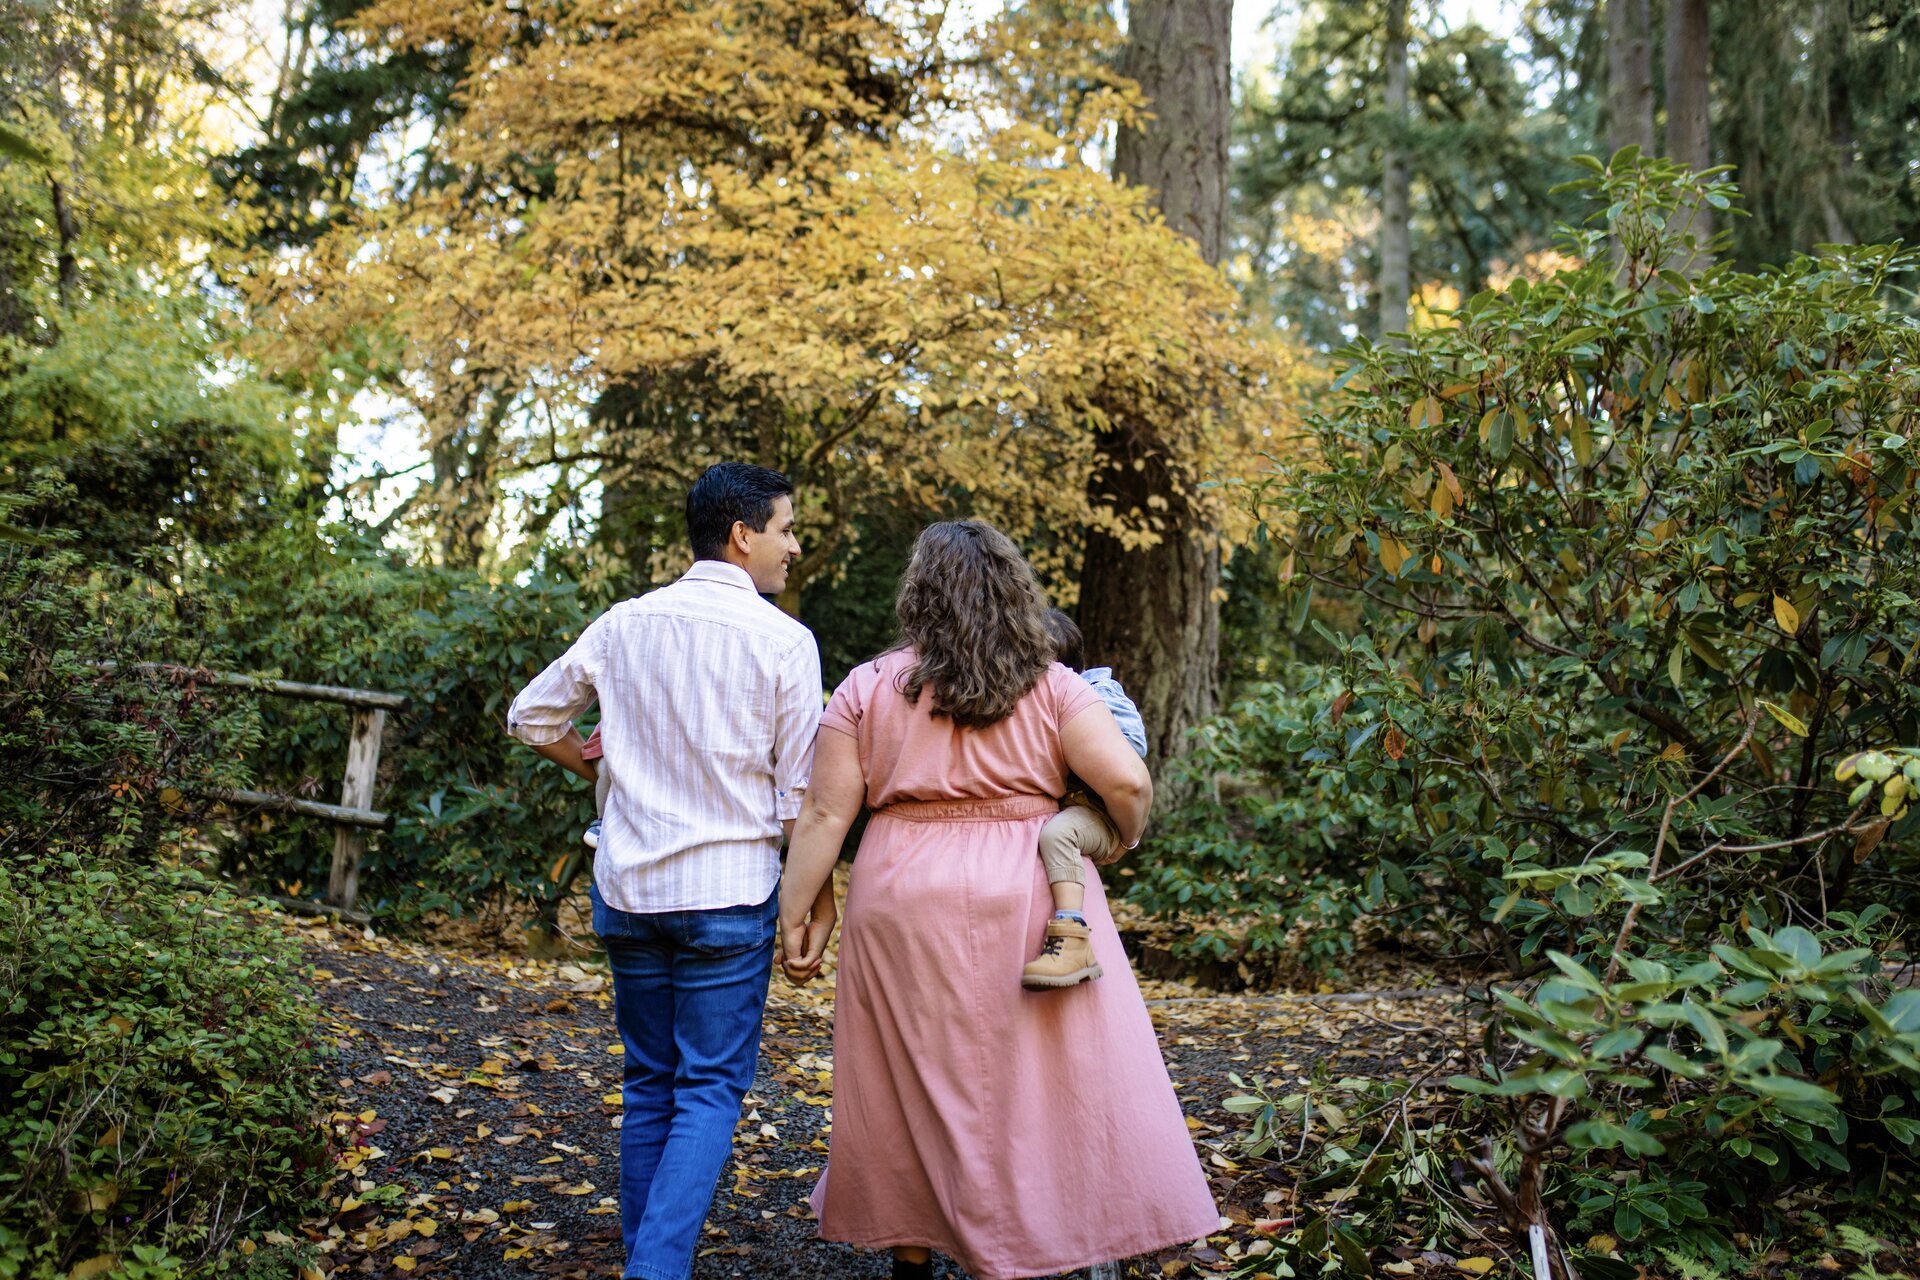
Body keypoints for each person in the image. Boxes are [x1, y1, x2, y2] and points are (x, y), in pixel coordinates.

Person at [776, 520, 1219, 1280]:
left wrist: (796, 912)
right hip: (1025, 891)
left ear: (919, 596)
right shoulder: (1052, 685)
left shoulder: (867, 685)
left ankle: (911, 1253)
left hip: (900, 892)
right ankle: (1028, 1237)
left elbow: (823, 814)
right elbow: (1130, 782)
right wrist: (1120, 836)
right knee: (1038, 1074)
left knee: (900, 1076)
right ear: (1014, 590)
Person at [506, 462, 831, 1280]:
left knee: (650, 1083)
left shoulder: (625, 625)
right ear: (743, 536)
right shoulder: (786, 643)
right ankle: (654, 1270)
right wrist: (814, 900)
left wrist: (606, 775)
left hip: (630, 890)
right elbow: (799, 801)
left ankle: (644, 1259)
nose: (794, 547)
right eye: (787, 530)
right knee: (711, 1093)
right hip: (728, 895)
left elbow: (531, 716)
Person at [1020, 608, 1149, 990]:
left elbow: (1130, 752)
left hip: (1098, 812)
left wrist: (1082, 742)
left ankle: (1071, 934)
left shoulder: (1096, 696)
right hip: (1075, 803)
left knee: (1058, 835)